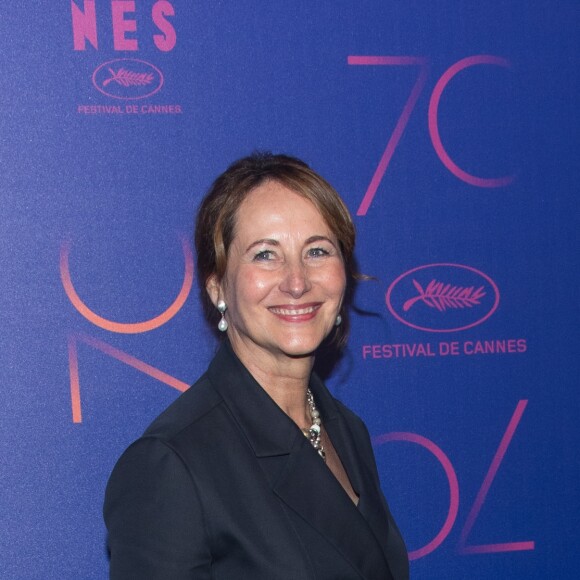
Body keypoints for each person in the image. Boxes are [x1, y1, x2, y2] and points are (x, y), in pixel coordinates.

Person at [104, 152, 409, 579]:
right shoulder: (172, 466)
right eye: (266, 255)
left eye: (317, 250)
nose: (298, 281)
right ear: (217, 288)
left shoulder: (346, 430)